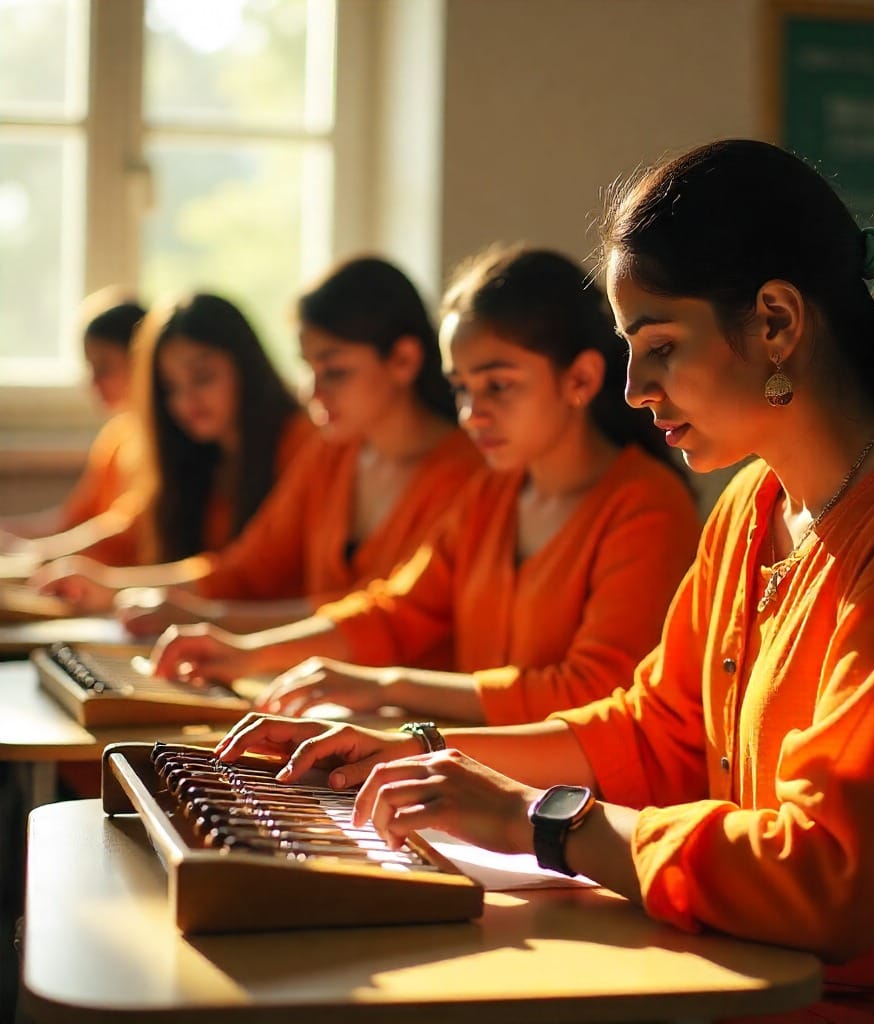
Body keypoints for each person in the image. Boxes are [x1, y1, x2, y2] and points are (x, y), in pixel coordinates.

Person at [215, 141, 874, 1023]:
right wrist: (420, 753)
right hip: (752, 969)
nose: (636, 388)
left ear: (777, 322)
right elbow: (655, 730)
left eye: (662, 346)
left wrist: (540, 820)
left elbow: (830, 875)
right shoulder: (752, 503)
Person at [147, 246, 700, 725]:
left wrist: (388, 687)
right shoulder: (494, 493)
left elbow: (592, 693)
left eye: (498, 386)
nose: (472, 415)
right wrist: (246, 653)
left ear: (580, 378)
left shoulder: (646, 506)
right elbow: (396, 612)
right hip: (473, 779)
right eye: (461, 389)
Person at [34, 259, 483, 635]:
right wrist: (113, 587)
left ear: (403, 360)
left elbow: (382, 619)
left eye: (335, 372)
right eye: (308, 369)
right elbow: (247, 569)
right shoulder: (333, 452)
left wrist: (207, 619)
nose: (313, 392)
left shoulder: (466, 472)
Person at [31, 292, 314, 601]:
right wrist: (34, 562)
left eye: (203, 377)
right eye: (170, 387)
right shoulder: (192, 453)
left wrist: (113, 584)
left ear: (246, 368)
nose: (186, 400)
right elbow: (128, 530)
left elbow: (245, 570)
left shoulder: (300, 441)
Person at [0, 290, 147, 566]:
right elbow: (74, 517)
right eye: (89, 367)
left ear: (142, 362)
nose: (93, 383)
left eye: (105, 367)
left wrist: (34, 552)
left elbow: (126, 530)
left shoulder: (163, 442)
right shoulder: (116, 436)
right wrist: (12, 535)